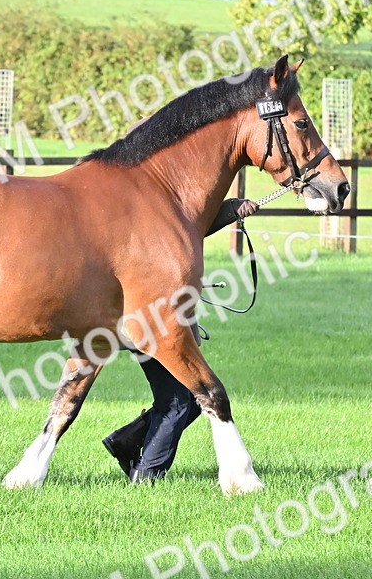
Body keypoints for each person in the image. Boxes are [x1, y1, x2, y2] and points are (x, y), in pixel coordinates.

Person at [102, 196, 258, 482]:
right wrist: (230, 210)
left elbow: (189, 222)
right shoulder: (150, 207)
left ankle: (126, 441)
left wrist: (231, 209)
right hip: (152, 321)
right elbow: (184, 225)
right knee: (179, 402)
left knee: (189, 399)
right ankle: (146, 476)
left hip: (151, 318)